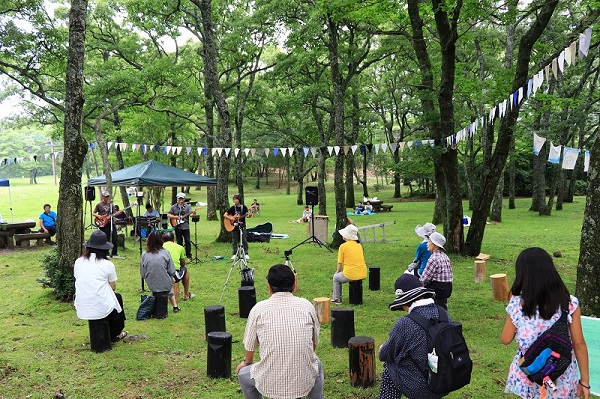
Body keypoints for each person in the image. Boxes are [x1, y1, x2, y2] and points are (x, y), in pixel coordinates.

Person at [501, 247, 590, 399]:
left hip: (532, 373)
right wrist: (585, 381)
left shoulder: (517, 304)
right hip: (561, 374)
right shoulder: (569, 303)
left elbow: (505, 339)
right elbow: (579, 343)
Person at [236, 264, 324, 399]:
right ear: (294, 286)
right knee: (317, 365)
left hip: (269, 382)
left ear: (269, 288)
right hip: (303, 381)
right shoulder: (307, 306)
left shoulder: (258, 309)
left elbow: (249, 346)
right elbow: (314, 343)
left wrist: (246, 363)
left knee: (243, 375)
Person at [378, 274, 444, 399]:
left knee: (390, 366)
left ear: (406, 301)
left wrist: (382, 348)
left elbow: (385, 354)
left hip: (424, 387)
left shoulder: (405, 323)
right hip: (446, 380)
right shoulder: (442, 313)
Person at [74, 230, 127, 342]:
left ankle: (113, 333)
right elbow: (113, 287)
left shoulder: (78, 262)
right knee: (117, 299)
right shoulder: (107, 264)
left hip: (82, 303)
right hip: (99, 305)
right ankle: (116, 334)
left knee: (114, 300)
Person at [140, 232, 180, 313]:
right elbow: (171, 270)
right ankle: (175, 306)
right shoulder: (165, 253)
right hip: (166, 284)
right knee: (168, 279)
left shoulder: (144, 255)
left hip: (151, 283)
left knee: (164, 279)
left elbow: (142, 272)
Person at [331, 224, 367, 305]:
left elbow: (340, 263)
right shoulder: (359, 245)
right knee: (340, 276)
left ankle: (337, 298)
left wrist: (337, 272)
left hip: (351, 274)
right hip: (362, 272)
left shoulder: (343, 246)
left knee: (336, 278)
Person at [419, 231, 452, 310]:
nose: (427, 243)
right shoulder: (445, 256)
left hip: (437, 290)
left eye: (429, 241)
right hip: (447, 288)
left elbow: (424, 279)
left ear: (435, 244)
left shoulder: (433, 258)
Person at [162, 231, 195, 301]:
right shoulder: (180, 247)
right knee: (184, 269)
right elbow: (182, 264)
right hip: (173, 275)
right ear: (174, 240)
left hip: (159, 274)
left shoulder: (160, 247)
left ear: (163, 240)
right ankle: (186, 294)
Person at [92, 191, 123, 258]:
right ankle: (106, 252)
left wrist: (118, 213)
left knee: (114, 237)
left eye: (108, 196)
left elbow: (114, 213)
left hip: (111, 222)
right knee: (106, 237)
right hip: (103, 223)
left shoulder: (111, 205)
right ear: (102, 196)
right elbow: (93, 213)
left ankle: (114, 252)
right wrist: (98, 216)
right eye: (105, 196)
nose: (106, 198)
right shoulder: (99, 205)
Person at [167, 193, 196, 260]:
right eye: (179, 198)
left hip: (185, 226)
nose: (180, 200)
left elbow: (190, 215)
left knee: (187, 241)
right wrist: (175, 217)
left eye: (182, 198)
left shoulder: (188, 207)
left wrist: (193, 213)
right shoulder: (174, 207)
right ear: (177, 199)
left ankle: (188, 255)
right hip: (177, 226)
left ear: (184, 199)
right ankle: (180, 255)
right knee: (179, 241)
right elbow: (168, 214)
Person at [224, 194, 251, 260]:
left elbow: (247, 215)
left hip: (242, 226)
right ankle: (234, 254)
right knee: (234, 240)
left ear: (239, 200)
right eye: (234, 199)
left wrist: (249, 215)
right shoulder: (232, 208)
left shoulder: (243, 207)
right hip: (234, 226)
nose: (235, 201)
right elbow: (225, 214)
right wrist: (231, 218)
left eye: (236, 199)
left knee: (244, 239)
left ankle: (245, 253)